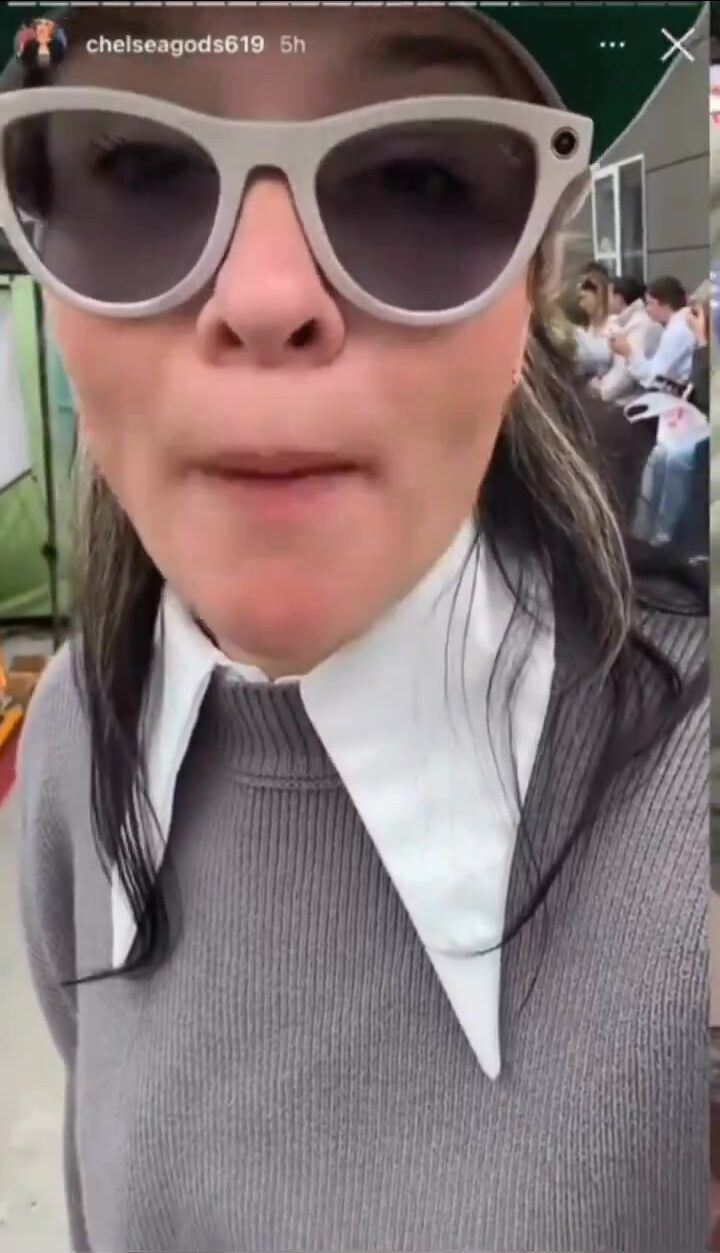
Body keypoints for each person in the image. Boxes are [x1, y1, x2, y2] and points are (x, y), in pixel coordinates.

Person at [1, 6, 707, 1252]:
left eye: (417, 175)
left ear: (533, 282)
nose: (267, 296)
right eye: (142, 166)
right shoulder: (76, 736)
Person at [612, 274, 696, 389]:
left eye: (649, 303)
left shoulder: (677, 331)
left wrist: (628, 353)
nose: (647, 309)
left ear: (662, 303)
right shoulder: (681, 324)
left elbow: (655, 377)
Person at [590, 274, 661, 403]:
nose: (604, 302)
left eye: (608, 296)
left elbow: (626, 374)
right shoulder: (629, 322)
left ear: (619, 298)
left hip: (633, 402)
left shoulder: (639, 325)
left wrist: (601, 390)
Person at [573, 272, 613, 376]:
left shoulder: (616, 326)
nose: (581, 304)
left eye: (584, 297)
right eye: (579, 299)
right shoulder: (579, 332)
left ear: (599, 295)